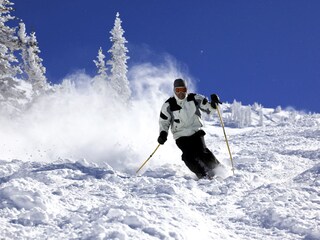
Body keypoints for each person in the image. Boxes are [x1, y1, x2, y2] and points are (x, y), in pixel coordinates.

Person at [157, 78, 222, 179]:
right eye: (178, 90)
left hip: (195, 132)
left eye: (183, 90)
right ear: (174, 91)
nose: (180, 93)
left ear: (186, 89)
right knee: (188, 156)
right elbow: (164, 121)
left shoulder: (194, 98)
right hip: (180, 136)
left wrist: (214, 104)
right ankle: (203, 174)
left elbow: (209, 108)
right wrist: (163, 134)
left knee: (201, 152)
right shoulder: (169, 104)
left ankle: (217, 169)